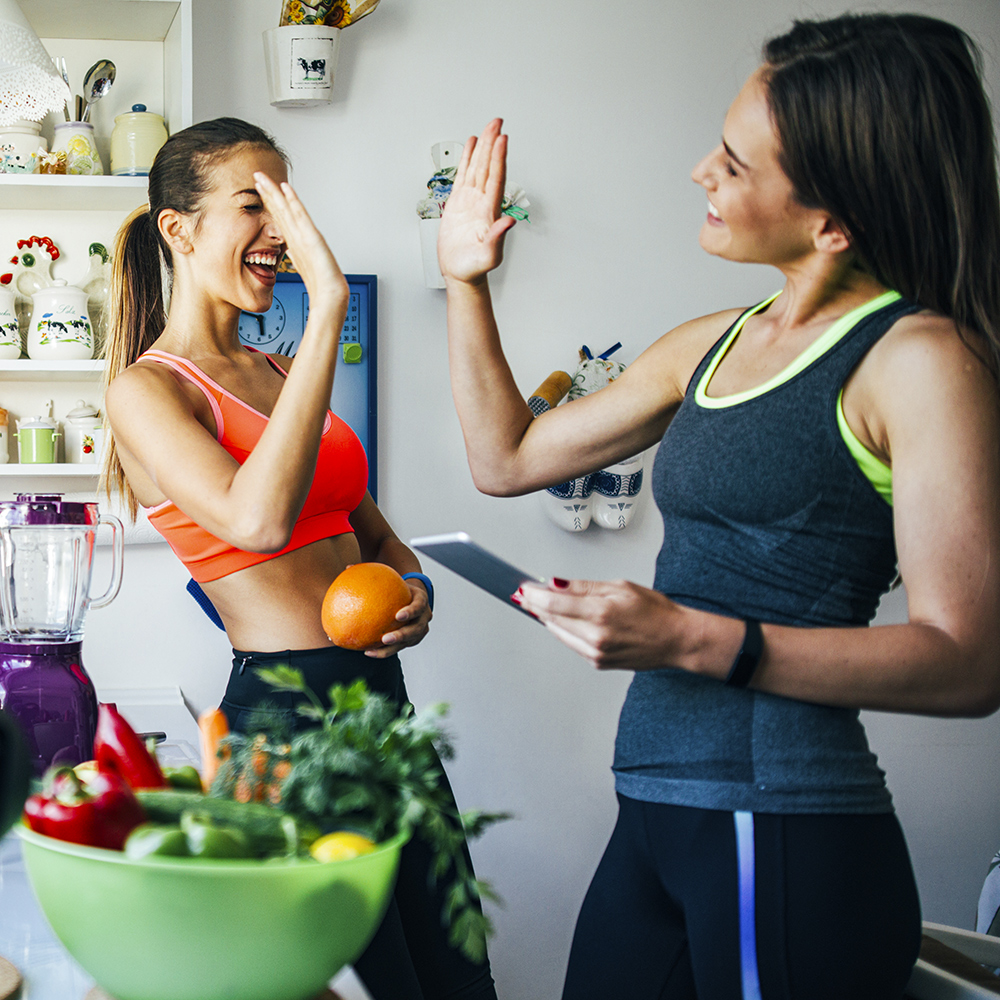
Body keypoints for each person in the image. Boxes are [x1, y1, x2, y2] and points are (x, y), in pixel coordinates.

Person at [437, 13, 1000, 1000]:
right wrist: (463, 282)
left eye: (734, 164)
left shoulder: (919, 362)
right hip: (654, 808)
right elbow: (506, 456)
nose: (701, 170)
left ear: (832, 221)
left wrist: (695, 638)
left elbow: (968, 661)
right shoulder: (715, 340)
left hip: (780, 821)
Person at [102, 117, 497, 1000]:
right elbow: (257, 521)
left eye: (288, 202)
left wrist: (416, 588)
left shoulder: (280, 373)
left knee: (455, 975)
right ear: (181, 228)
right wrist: (327, 309)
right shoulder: (149, 391)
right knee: (356, 982)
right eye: (255, 203)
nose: (280, 229)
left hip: (383, 712)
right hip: (283, 725)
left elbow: (381, 538)